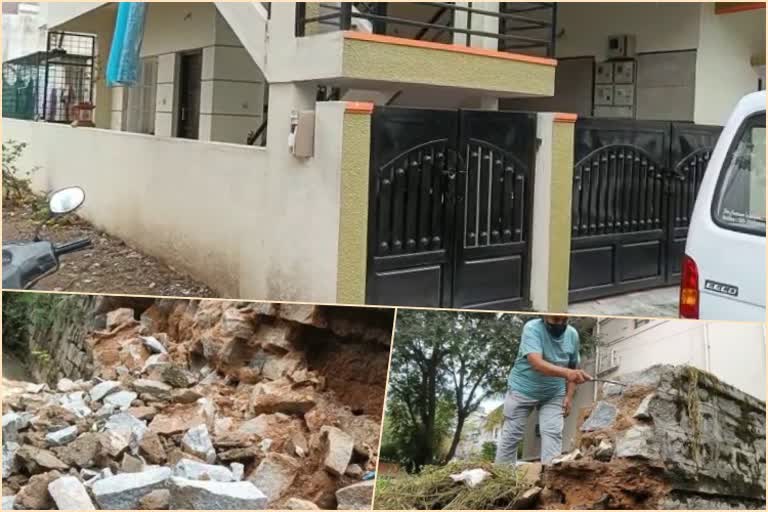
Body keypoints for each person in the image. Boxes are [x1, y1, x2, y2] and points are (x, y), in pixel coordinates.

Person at [495, 315, 592, 466]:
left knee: (553, 433)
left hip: (553, 394)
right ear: (544, 317)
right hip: (522, 390)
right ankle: (501, 478)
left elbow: (574, 368)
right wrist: (568, 373)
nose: (559, 324)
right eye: (555, 320)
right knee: (511, 436)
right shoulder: (532, 328)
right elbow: (537, 363)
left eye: (563, 321)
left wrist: (569, 396)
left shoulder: (572, 335)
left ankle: (550, 481)